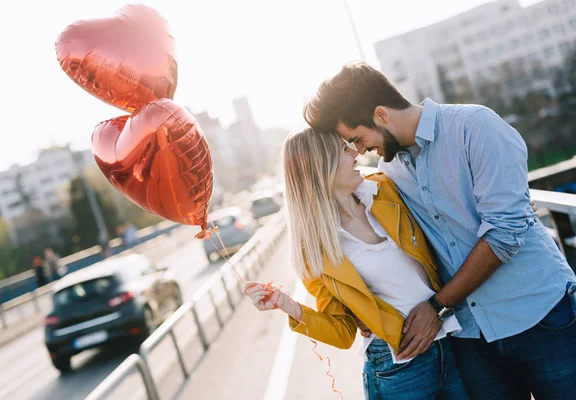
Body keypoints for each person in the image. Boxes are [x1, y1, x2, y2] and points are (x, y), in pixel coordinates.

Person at [303, 61, 576, 399]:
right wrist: (362, 308)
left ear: (381, 115)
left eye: (358, 139)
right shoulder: (389, 172)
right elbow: (368, 229)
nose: (359, 151)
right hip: (473, 341)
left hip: (540, 315)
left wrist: (436, 306)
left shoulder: (476, 127)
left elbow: (504, 233)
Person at [244, 128, 469, 399]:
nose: (355, 152)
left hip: (448, 340)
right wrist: (287, 305)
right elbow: (341, 332)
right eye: (343, 150)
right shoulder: (316, 249)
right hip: (396, 367)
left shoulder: (384, 190)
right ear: (320, 167)